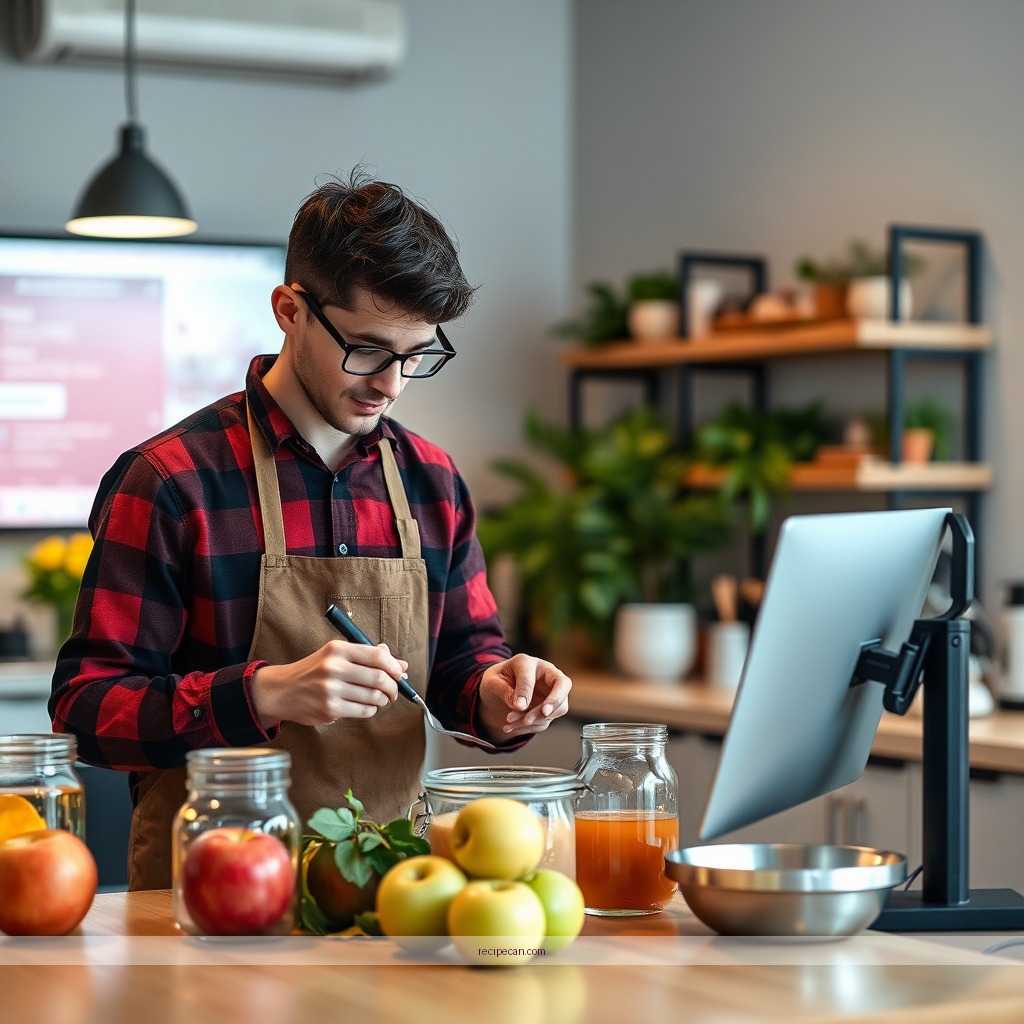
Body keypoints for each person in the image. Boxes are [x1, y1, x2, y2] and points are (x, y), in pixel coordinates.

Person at [49, 170, 573, 890]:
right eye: (367, 349)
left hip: (390, 893)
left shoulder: (432, 481)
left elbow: (459, 665)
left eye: (417, 355)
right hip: (205, 900)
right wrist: (264, 695)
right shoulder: (171, 481)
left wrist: (501, 695)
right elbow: (86, 710)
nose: (391, 383)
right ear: (289, 310)